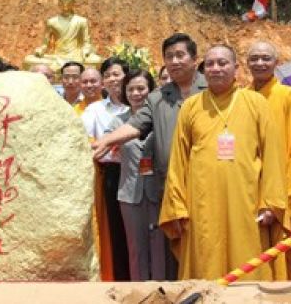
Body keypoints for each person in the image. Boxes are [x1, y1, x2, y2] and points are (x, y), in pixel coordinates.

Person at [159, 45, 287, 281]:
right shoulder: (191, 106)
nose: (216, 68)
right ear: (203, 70)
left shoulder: (256, 102)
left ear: (236, 68)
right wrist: (177, 205)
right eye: (210, 64)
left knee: (247, 257)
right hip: (201, 201)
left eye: (222, 63)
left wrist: (270, 202)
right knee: (206, 255)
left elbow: (272, 155)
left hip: (246, 199)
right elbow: (178, 159)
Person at [91, 33, 207, 280]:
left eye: (180, 55)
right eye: (169, 56)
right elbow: (135, 125)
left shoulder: (212, 89)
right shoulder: (158, 98)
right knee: (174, 243)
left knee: (205, 242)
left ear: (194, 58)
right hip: (170, 186)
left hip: (207, 184)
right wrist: (106, 140)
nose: (174, 61)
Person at [247, 41, 291, 280]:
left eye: (266, 58)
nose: (260, 63)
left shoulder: (287, 95)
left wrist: (289, 194)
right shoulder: (243, 97)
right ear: (246, 63)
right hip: (251, 187)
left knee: (285, 256)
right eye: (254, 58)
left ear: (276, 62)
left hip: (282, 186)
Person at [82, 58, 130, 281]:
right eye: (108, 75)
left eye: (117, 74)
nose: (113, 79)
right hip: (111, 173)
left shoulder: (140, 103)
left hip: (140, 172)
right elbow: (81, 137)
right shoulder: (95, 109)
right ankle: (118, 278)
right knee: (115, 230)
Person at [113, 69, 163, 281]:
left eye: (141, 88)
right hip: (130, 194)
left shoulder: (161, 118)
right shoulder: (118, 122)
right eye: (131, 89)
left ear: (150, 90)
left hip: (159, 192)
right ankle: (138, 292)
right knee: (136, 248)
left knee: (161, 247)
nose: (136, 93)